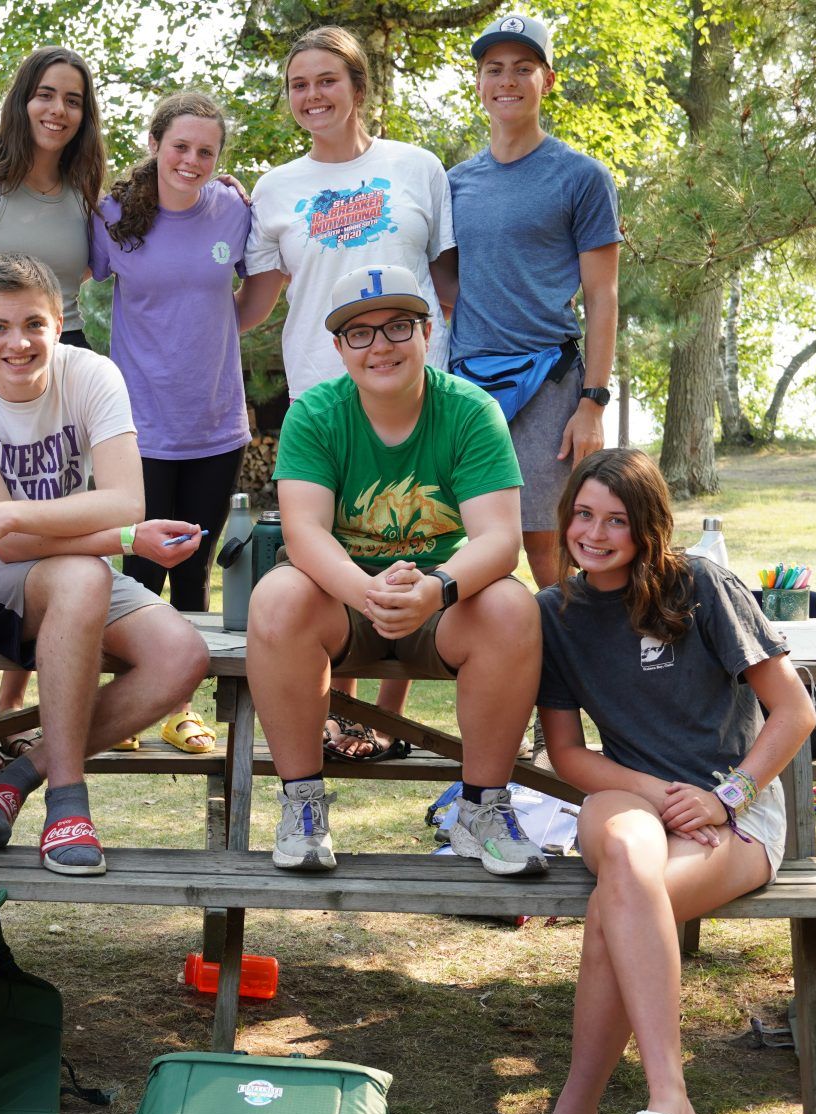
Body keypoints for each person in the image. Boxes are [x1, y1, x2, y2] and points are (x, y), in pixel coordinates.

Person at [483, 448, 813, 1114]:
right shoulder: (555, 614)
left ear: (648, 527)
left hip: (733, 815)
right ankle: (668, 1104)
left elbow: (794, 711)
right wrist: (655, 791)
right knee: (628, 859)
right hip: (629, 798)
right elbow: (567, 753)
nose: (595, 534)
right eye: (583, 515)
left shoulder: (698, 584)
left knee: (618, 902)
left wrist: (726, 794)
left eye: (617, 521)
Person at [0, 253, 211, 876]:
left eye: (33, 324)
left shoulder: (93, 375)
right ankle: (67, 804)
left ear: (58, 323)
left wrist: (18, 514)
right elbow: (9, 545)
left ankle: (17, 777)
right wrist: (122, 537)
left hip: (61, 556)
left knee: (181, 657)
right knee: (84, 574)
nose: (17, 342)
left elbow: (127, 497)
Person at [246, 264, 541, 875]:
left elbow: (499, 538)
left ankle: (482, 810)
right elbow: (304, 532)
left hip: (442, 602)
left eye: (398, 326)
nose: (380, 345)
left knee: (513, 607)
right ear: (338, 347)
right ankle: (302, 808)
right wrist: (368, 592)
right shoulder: (316, 413)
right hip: (342, 600)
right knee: (276, 597)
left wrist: (436, 589)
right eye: (360, 333)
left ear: (427, 333)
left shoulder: (470, 411)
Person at [237, 24, 460, 763]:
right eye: (299, 84)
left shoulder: (418, 167)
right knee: (326, 560)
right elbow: (256, 303)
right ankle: (333, 717)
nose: (312, 96)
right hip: (322, 393)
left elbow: (450, 282)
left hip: (415, 389)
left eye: (327, 80)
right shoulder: (275, 190)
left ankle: (384, 717)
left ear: (359, 88)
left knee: (413, 539)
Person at [0, 46, 109, 766]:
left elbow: (135, 238)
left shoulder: (81, 189)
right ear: (21, 100)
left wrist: (214, 190)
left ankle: (15, 711)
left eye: (72, 98)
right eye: (45, 94)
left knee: (49, 525)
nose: (57, 110)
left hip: (56, 364)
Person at [91, 90, 256, 753]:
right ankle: (128, 699)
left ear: (219, 160)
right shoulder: (112, 216)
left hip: (216, 424)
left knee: (194, 571)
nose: (191, 160)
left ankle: (180, 708)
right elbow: (77, 283)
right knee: (135, 574)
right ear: (157, 143)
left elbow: (256, 292)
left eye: (205, 151)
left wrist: (217, 337)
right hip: (139, 428)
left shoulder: (235, 212)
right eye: (180, 146)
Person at [449, 12, 619, 591]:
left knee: (552, 550)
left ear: (547, 80)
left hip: (549, 381)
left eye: (524, 68)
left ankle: (573, 678)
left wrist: (592, 402)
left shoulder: (581, 177)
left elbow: (602, 294)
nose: (508, 81)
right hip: (468, 385)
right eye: (494, 69)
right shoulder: (454, 183)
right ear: (478, 83)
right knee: (468, 551)